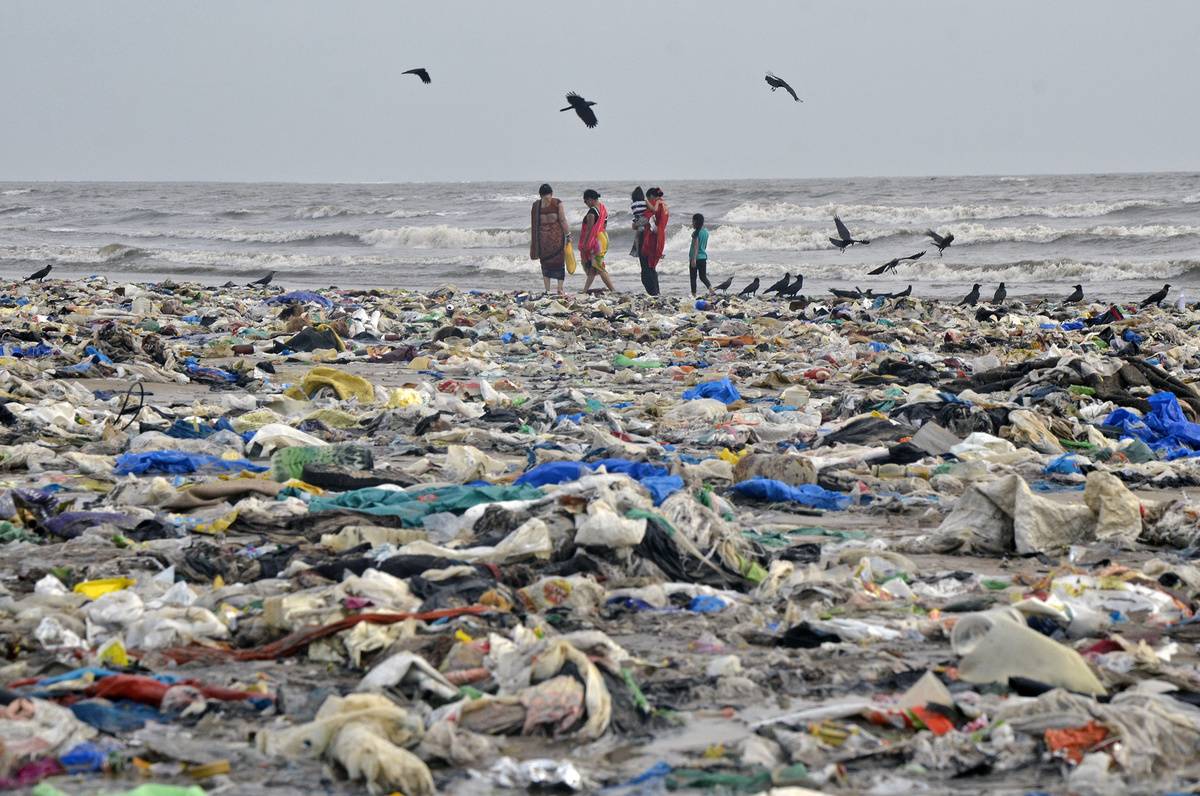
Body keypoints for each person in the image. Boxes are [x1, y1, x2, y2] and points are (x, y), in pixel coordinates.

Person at [529, 183, 569, 294]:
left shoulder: (541, 205)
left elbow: (562, 220)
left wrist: (567, 234)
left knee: (552, 263)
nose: (548, 198)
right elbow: (562, 220)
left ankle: (553, 289)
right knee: (553, 264)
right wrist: (568, 234)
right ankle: (554, 289)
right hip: (550, 240)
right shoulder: (553, 203)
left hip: (549, 240)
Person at [579, 189, 615, 293]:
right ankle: (585, 290)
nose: (585, 204)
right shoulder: (603, 209)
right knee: (593, 267)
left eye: (585, 201)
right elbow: (604, 226)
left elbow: (589, 230)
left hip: (596, 242)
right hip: (604, 238)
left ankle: (613, 289)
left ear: (590, 199)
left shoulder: (592, 212)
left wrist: (585, 243)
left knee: (599, 266)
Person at [637, 187, 668, 296]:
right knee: (652, 267)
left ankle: (653, 292)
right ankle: (656, 292)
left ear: (651, 197)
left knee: (647, 269)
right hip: (659, 237)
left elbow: (643, 221)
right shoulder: (663, 204)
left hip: (651, 239)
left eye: (647, 199)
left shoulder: (655, 205)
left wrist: (636, 222)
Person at [688, 213, 712, 295]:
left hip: (695, 258)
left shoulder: (695, 233)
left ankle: (693, 294)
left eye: (693, 221)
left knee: (693, 278)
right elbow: (704, 246)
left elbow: (696, 246)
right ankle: (711, 289)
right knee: (703, 277)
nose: (692, 223)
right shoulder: (706, 232)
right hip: (703, 257)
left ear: (696, 222)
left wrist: (694, 259)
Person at [629, 186, 647, 256]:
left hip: (639, 225)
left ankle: (637, 253)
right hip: (645, 225)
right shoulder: (645, 203)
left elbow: (636, 216)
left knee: (639, 244)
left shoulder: (633, 205)